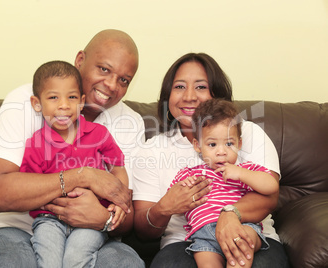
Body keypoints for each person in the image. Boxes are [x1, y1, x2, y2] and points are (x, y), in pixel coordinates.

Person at [0, 29, 145, 268]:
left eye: (124, 80)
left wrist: (104, 219)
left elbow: (128, 214)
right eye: (104, 69)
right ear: (81, 60)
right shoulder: (24, 102)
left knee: (125, 263)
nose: (111, 85)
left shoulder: (130, 122)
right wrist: (81, 176)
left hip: (95, 234)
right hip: (20, 230)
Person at [132, 53, 289, 267]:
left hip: (249, 231)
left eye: (200, 87)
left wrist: (230, 213)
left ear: (217, 93)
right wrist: (164, 208)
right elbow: (142, 231)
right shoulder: (152, 150)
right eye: (179, 87)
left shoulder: (248, 134)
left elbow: (270, 196)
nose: (189, 96)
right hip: (184, 242)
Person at [20, 60, 129, 267]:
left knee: (75, 259)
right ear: (37, 103)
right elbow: (28, 189)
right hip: (49, 220)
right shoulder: (35, 144)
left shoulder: (99, 134)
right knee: (49, 261)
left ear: (81, 101)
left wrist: (119, 199)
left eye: (71, 97)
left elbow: (117, 166)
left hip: (91, 221)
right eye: (53, 98)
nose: (63, 105)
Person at [168, 98, 278, 268]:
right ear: (198, 146)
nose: (221, 152)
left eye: (229, 143)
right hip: (203, 232)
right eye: (212, 144)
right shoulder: (190, 173)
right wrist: (185, 186)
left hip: (241, 226)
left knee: (241, 253)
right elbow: (172, 199)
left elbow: (271, 186)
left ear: (239, 144)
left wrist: (242, 174)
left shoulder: (245, 169)